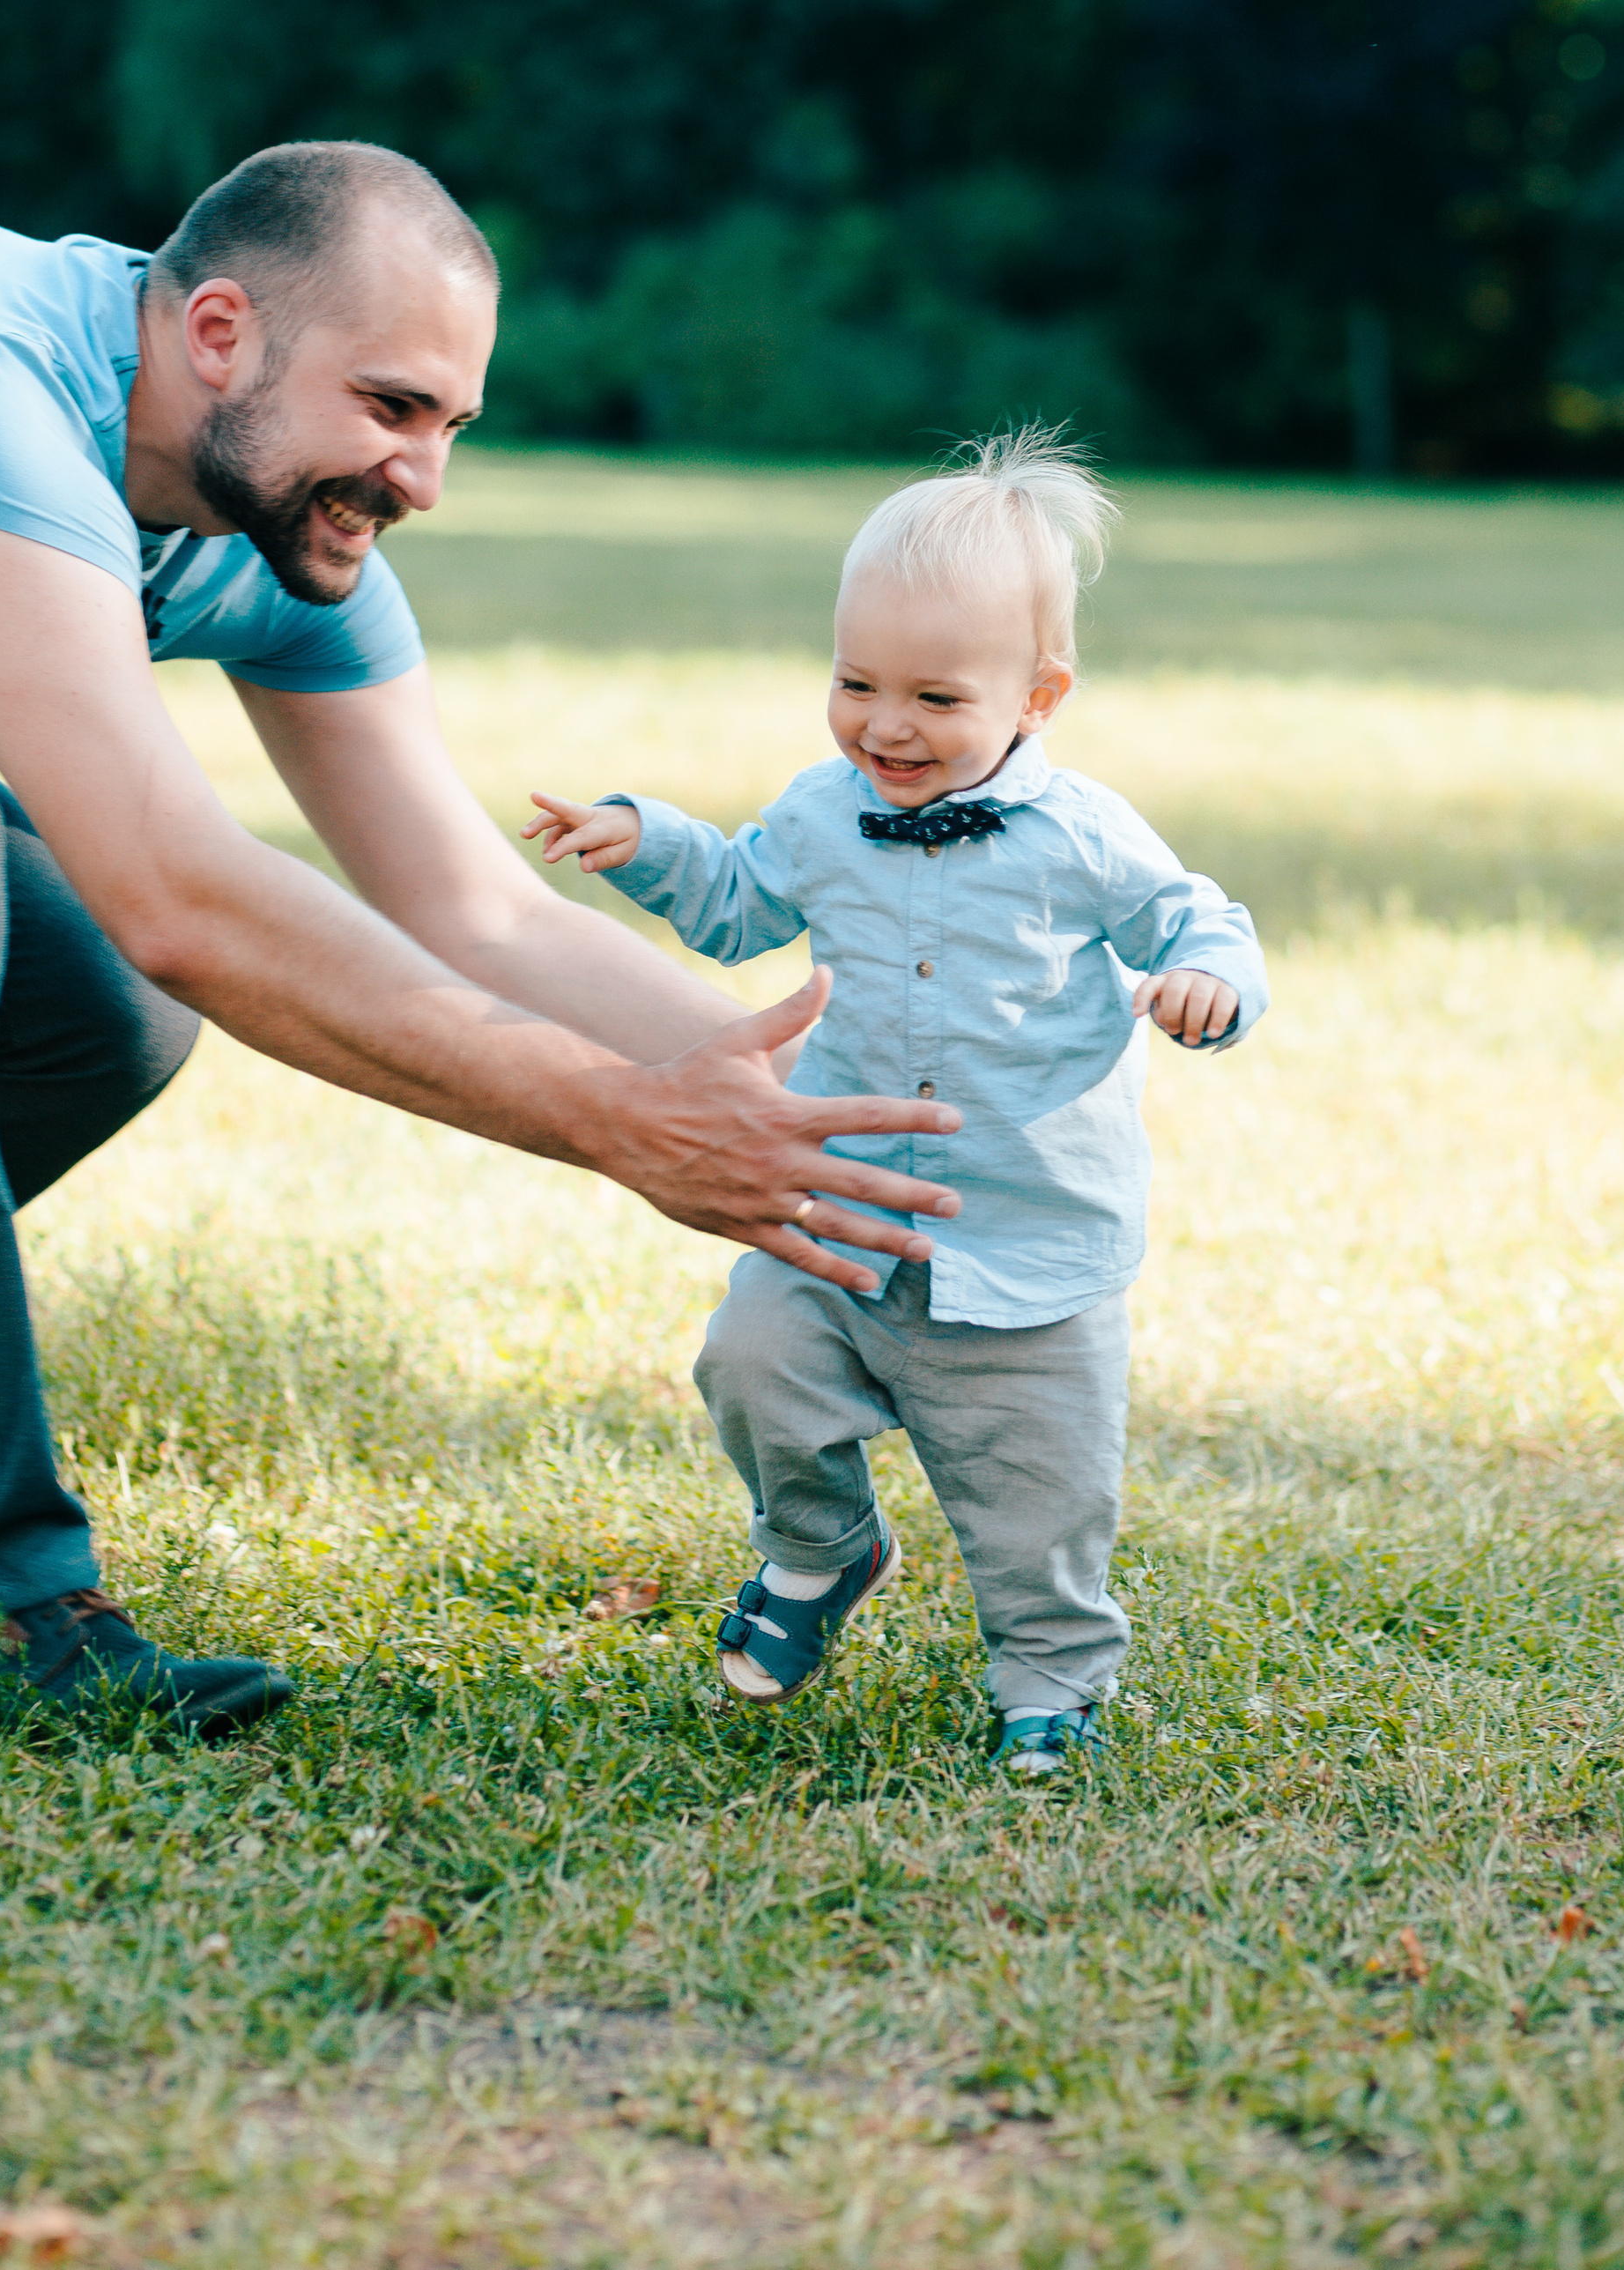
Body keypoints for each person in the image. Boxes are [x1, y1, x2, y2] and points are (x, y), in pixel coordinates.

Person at [0, 147, 960, 1730]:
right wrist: (616, 1122)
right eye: (391, 405)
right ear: (218, 332)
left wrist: (838, 1109)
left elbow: (475, 907)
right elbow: (176, 889)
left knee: (88, 1009)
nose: (424, 476)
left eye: (450, 425)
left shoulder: (282, 529)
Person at [524, 430, 1266, 1781]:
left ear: (1038, 695)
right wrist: (653, 841)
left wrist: (1206, 977)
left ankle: (1050, 1672)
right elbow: (742, 899)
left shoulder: (1085, 835)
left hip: (1026, 1240)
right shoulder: (824, 811)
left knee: (1034, 1494)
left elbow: (1192, 918)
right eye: (855, 681)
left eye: (934, 695)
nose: (884, 724)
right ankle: (818, 1551)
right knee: (751, 1365)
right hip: (843, 1215)